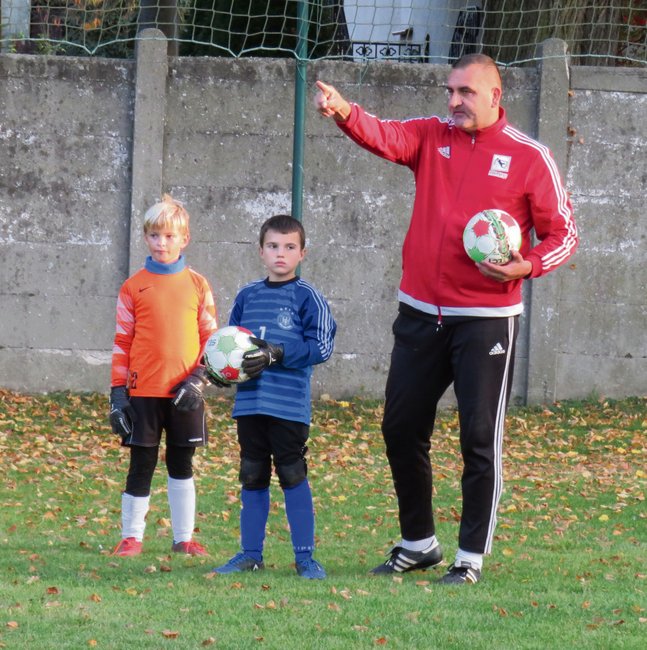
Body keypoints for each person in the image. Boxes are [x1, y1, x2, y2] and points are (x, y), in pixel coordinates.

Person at [315, 54, 578, 584]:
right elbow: (384, 135)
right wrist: (344, 111)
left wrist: (527, 265)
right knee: (400, 426)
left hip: (486, 319)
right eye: (450, 90)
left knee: (478, 437)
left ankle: (470, 558)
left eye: (466, 93)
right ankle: (419, 543)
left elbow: (564, 234)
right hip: (420, 312)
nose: (454, 101)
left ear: (495, 97)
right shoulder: (430, 137)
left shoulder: (530, 157)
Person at [212, 214, 336, 580]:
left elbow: (322, 346)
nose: (280, 254)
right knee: (252, 473)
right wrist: (218, 371)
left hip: (288, 405)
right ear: (260, 251)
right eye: (273, 246)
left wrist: (278, 352)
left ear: (302, 253)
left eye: (289, 247)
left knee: (292, 473)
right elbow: (226, 342)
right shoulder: (247, 295)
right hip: (250, 402)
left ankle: (305, 557)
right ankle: (250, 554)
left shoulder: (308, 297)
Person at [108, 194, 218, 557]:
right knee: (142, 462)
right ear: (145, 238)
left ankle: (183, 538)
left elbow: (211, 340)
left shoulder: (198, 285)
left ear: (184, 239)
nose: (162, 243)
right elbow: (123, 341)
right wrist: (118, 394)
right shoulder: (132, 287)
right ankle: (131, 537)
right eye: (155, 236)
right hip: (143, 391)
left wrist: (199, 379)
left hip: (186, 392)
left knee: (181, 463)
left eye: (170, 236)